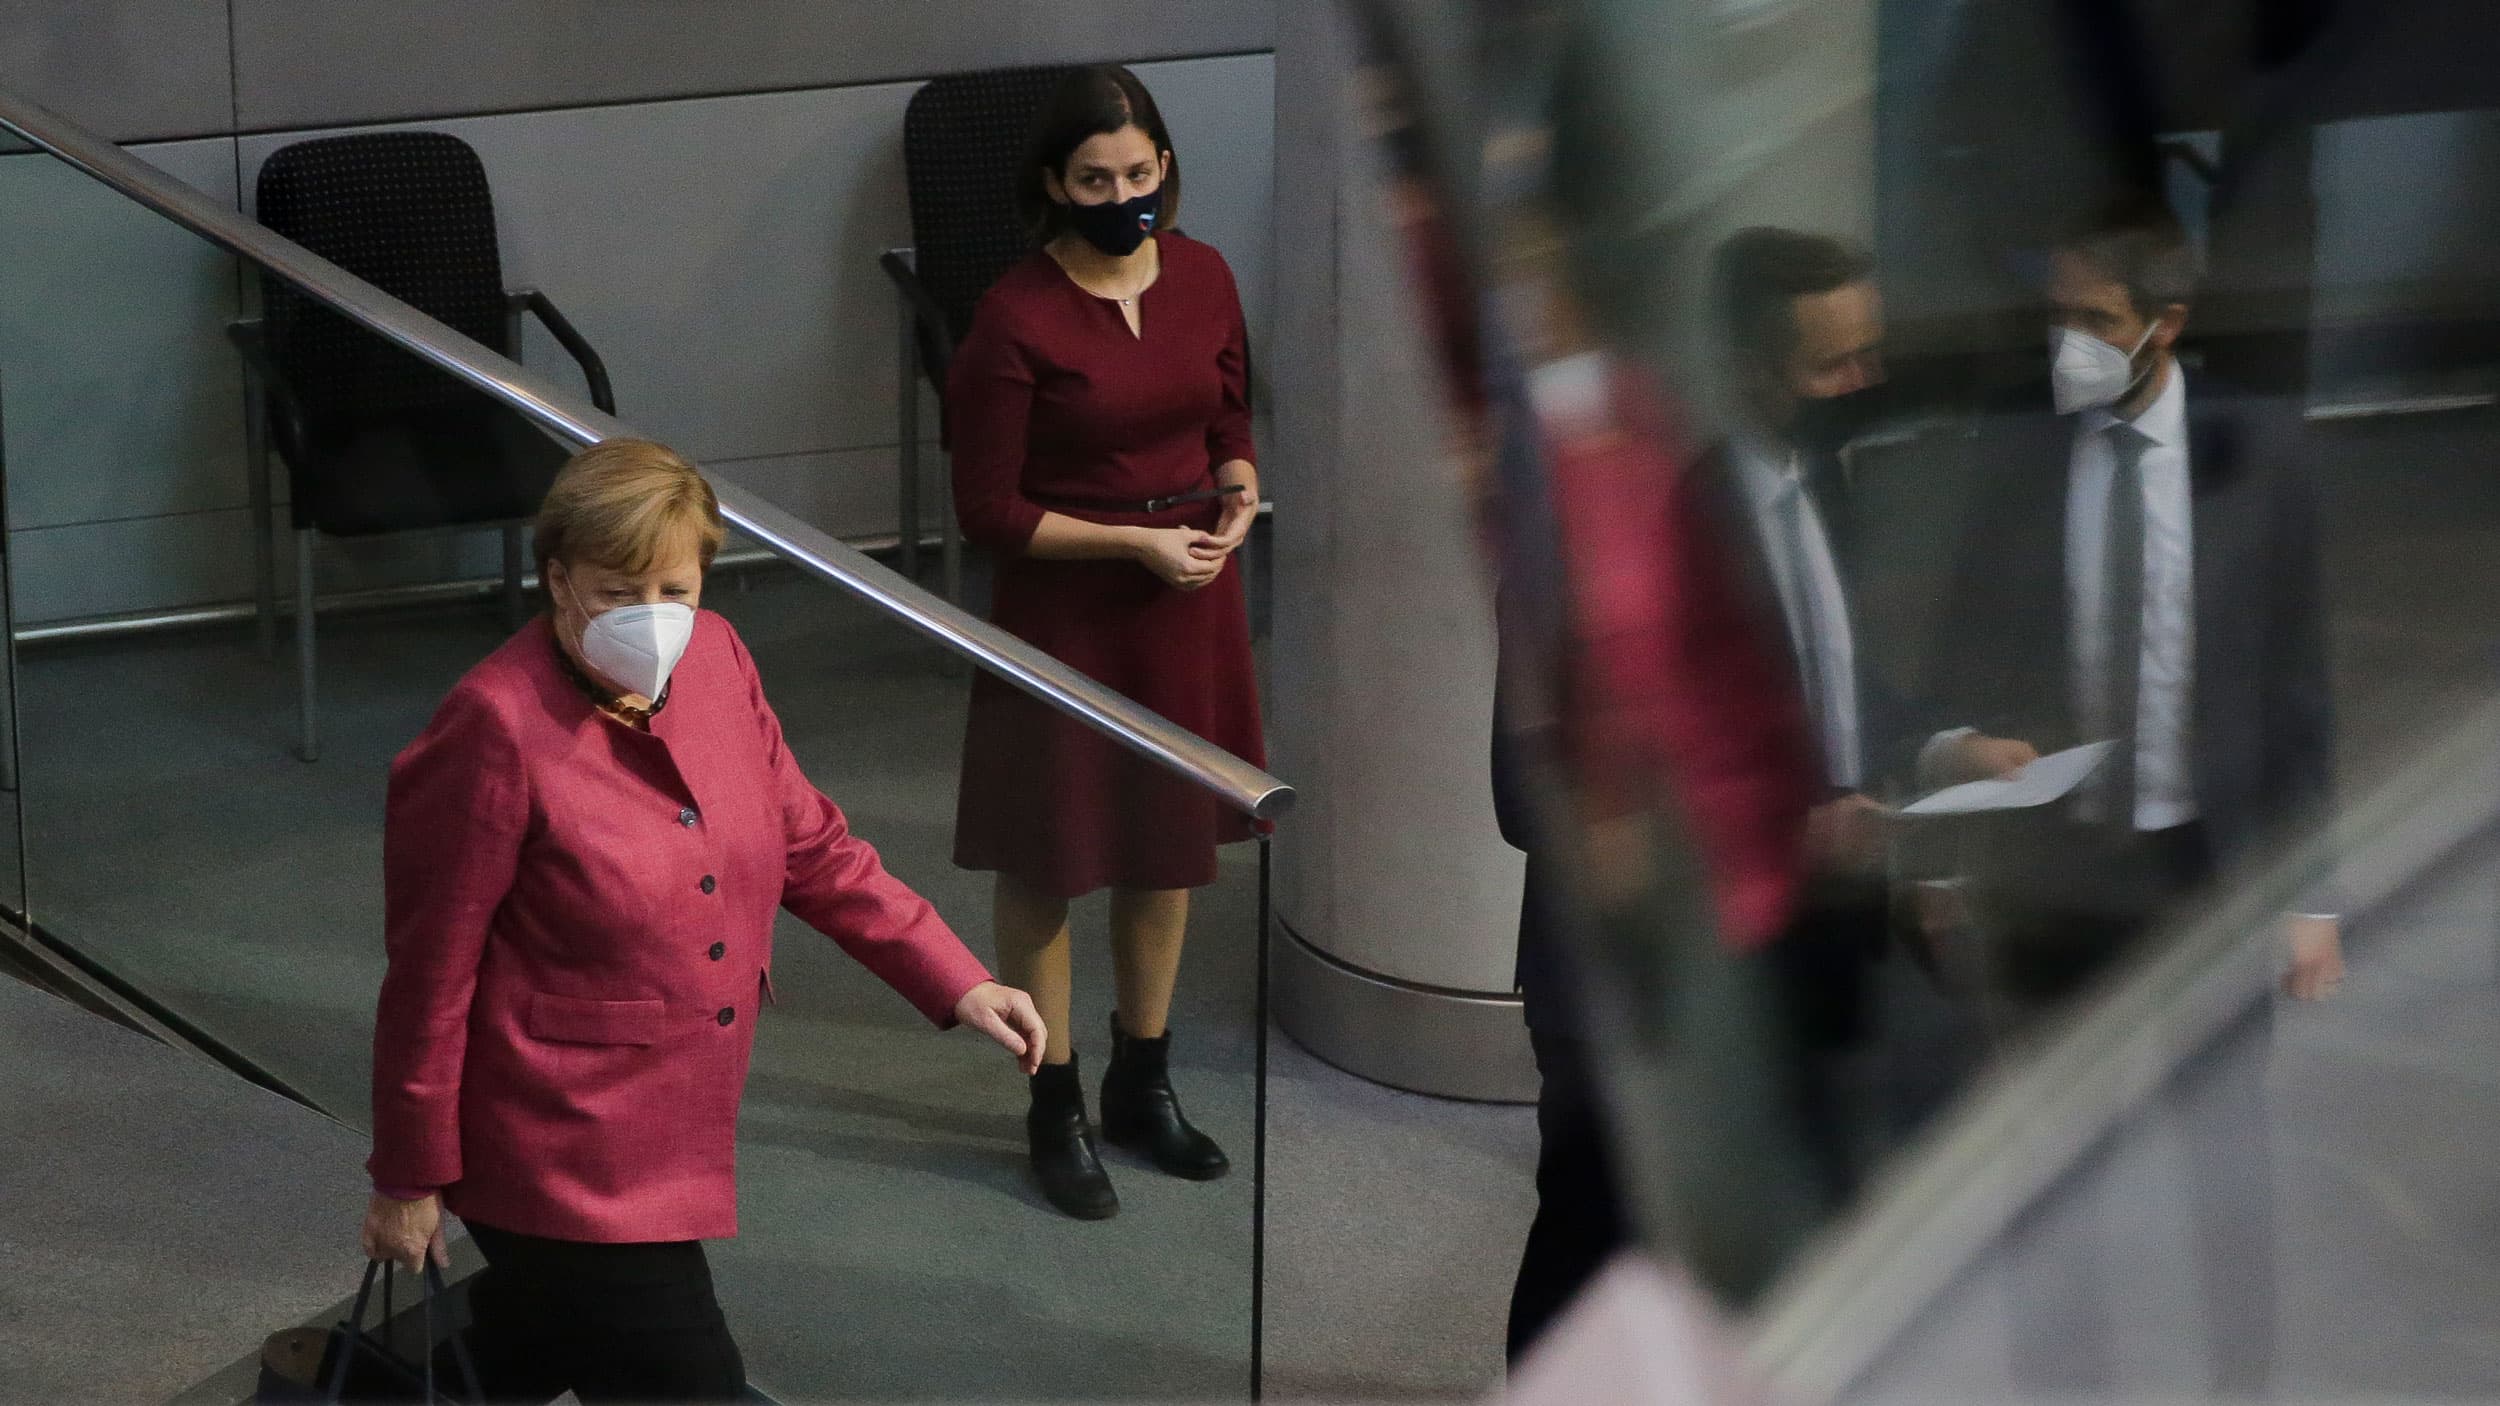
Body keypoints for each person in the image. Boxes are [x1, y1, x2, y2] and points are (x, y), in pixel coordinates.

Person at [358, 439, 1046, 1403]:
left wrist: (955, 975)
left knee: (527, 1348)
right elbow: (431, 974)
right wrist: (407, 1175)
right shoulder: (492, 725)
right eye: (616, 591)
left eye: (674, 589)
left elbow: (810, 844)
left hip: (676, 1114)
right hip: (559, 1144)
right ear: (557, 580)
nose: (652, 619)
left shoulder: (717, 658)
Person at [1921, 195, 2342, 1393]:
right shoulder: (2022, 442)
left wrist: (2308, 893)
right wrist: (1949, 836)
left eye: (2097, 319)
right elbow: (1970, 647)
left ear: (2170, 318)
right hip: (2054, 872)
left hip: (2202, 868)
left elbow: (2298, 684)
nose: (2072, 344)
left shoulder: (2261, 449)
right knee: (2051, 1172)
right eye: (2058, 314)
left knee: (2223, 1158)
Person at [1501, 227, 1903, 1359]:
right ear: (1747, 364)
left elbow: (1841, 685)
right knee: (1596, 1250)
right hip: (1644, 972)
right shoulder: (1609, 526)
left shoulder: (1824, 480)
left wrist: (1931, 759)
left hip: (1801, 944)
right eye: (1835, 360)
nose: (1862, 381)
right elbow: (1523, 783)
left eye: (1867, 351)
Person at [945, 64, 1265, 1220]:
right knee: (1051, 855)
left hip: (1187, 601)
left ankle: (1144, 1078)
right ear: (1053, 184)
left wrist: (1235, 480)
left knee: (1164, 843)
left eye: (1138, 173)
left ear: (1165, 166)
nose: (1122, 193)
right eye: (1095, 178)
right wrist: (1131, 546)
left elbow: (1228, 410)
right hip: (1068, 612)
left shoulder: (1205, 275)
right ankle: (1055, 1100)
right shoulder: (1014, 317)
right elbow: (990, 511)